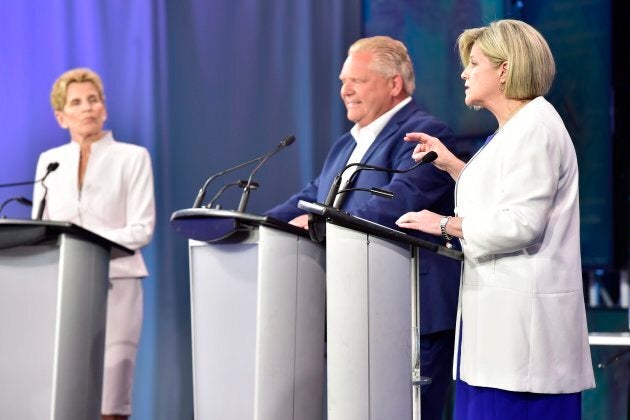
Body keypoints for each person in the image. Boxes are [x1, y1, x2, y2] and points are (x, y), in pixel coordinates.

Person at [396, 19, 595, 419]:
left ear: (504, 70)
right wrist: (453, 166)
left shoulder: (535, 129)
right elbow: (503, 197)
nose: (464, 73)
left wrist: (443, 224)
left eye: (474, 63)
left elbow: (522, 223)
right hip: (498, 340)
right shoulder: (515, 129)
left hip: (523, 350)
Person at [266, 36, 461, 419]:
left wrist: (321, 221)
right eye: (343, 81)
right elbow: (311, 196)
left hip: (409, 312)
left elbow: (399, 200)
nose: (345, 91)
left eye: (358, 80)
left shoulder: (424, 134)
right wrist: (256, 225)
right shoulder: (345, 145)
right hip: (352, 306)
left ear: (394, 84)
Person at [32, 68, 155, 420]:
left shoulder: (133, 157)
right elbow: (43, 228)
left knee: (112, 397)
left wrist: (87, 243)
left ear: (104, 107)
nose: (87, 107)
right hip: (63, 287)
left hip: (119, 282)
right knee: (65, 390)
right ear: (61, 116)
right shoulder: (50, 162)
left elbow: (141, 229)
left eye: (94, 99)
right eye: (76, 102)